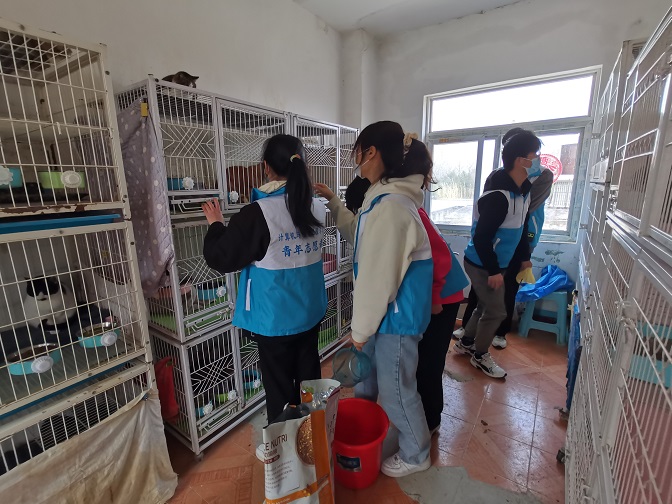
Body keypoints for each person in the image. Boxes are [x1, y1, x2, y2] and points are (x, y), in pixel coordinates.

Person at [314, 121, 433, 478]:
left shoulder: (392, 207)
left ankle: (416, 454)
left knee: (397, 388)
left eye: (358, 152)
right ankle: (380, 427)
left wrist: (359, 333)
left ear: (372, 152)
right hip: (387, 314)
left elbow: (378, 280)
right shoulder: (380, 199)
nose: (356, 161)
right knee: (375, 381)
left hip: (396, 317)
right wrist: (334, 202)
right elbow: (360, 234)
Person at [202, 134, 327, 428]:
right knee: (310, 380)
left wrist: (216, 224)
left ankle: (287, 447)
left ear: (266, 168)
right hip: (310, 312)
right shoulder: (317, 207)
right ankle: (315, 438)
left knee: (280, 389)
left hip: (276, 319)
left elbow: (222, 257)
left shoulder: (259, 213)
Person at [342, 142, 467, 436]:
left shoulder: (399, 211)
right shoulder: (394, 205)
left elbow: (440, 260)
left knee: (426, 365)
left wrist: (434, 297)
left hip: (443, 293)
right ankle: (415, 427)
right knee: (413, 368)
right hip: (426, 295)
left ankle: (429, 424)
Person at [453, 129, 553, 349]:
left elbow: (522, 226)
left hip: (503, 257)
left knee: (488, 305)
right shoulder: (500, 195)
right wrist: (494, 271)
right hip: (484, 261)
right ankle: (480, 354)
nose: (538, 160)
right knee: (495, 310)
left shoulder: (525, 190)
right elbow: (482, 238)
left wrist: (524, 257)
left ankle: (467, 342)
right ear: (520, 160)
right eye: (535, 155)